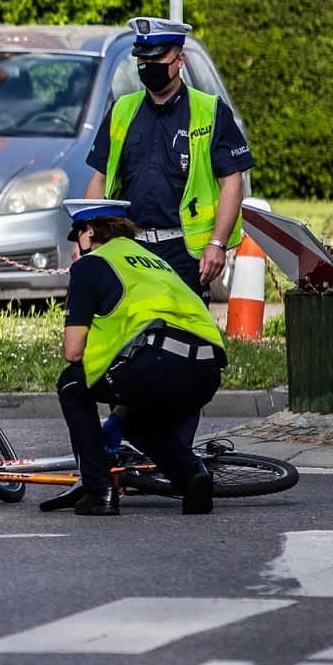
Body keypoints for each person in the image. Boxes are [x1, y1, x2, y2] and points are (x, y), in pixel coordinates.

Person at [51, 199, 224, 517]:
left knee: (71, 385)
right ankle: (192, 474)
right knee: (139, 423)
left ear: (89, 230)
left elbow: (72, 351)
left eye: (77, 234)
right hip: (207, 371)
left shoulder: (90, 265)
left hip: (158, 364)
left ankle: (98, 490)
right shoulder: (153, 261)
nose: (78, 243)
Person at [81, 17, 253, 299]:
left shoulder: (210, 112)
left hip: (185, 254)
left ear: (180, 59)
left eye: (159, 57)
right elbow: (99, 177)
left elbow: (232, 182)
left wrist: (217, 244)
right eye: (142, 58)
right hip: (129, 247)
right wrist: (88, 234)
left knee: (184, 339)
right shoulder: (122, 109)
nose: (148, 65)